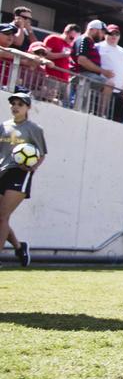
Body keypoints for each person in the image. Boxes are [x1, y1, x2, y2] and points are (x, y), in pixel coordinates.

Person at [0, 93, 47, 268]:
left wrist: (31, 168)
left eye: (20, 104)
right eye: (13, 103)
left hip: (20, 174)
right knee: (0, 218)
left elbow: (41, 154)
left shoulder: (34, 129)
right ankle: (20, 247)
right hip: (2, 172)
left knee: (3, 216)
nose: (15, 106)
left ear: (27, 108)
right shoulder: (3, 126)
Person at [98, 24, 123, 123]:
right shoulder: (98, 46)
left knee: (117, 121)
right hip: (101, 89)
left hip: (118, 92)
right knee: (99, 117)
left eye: (116, 34)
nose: (114, 36)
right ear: (105, 34)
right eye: (111, 33)